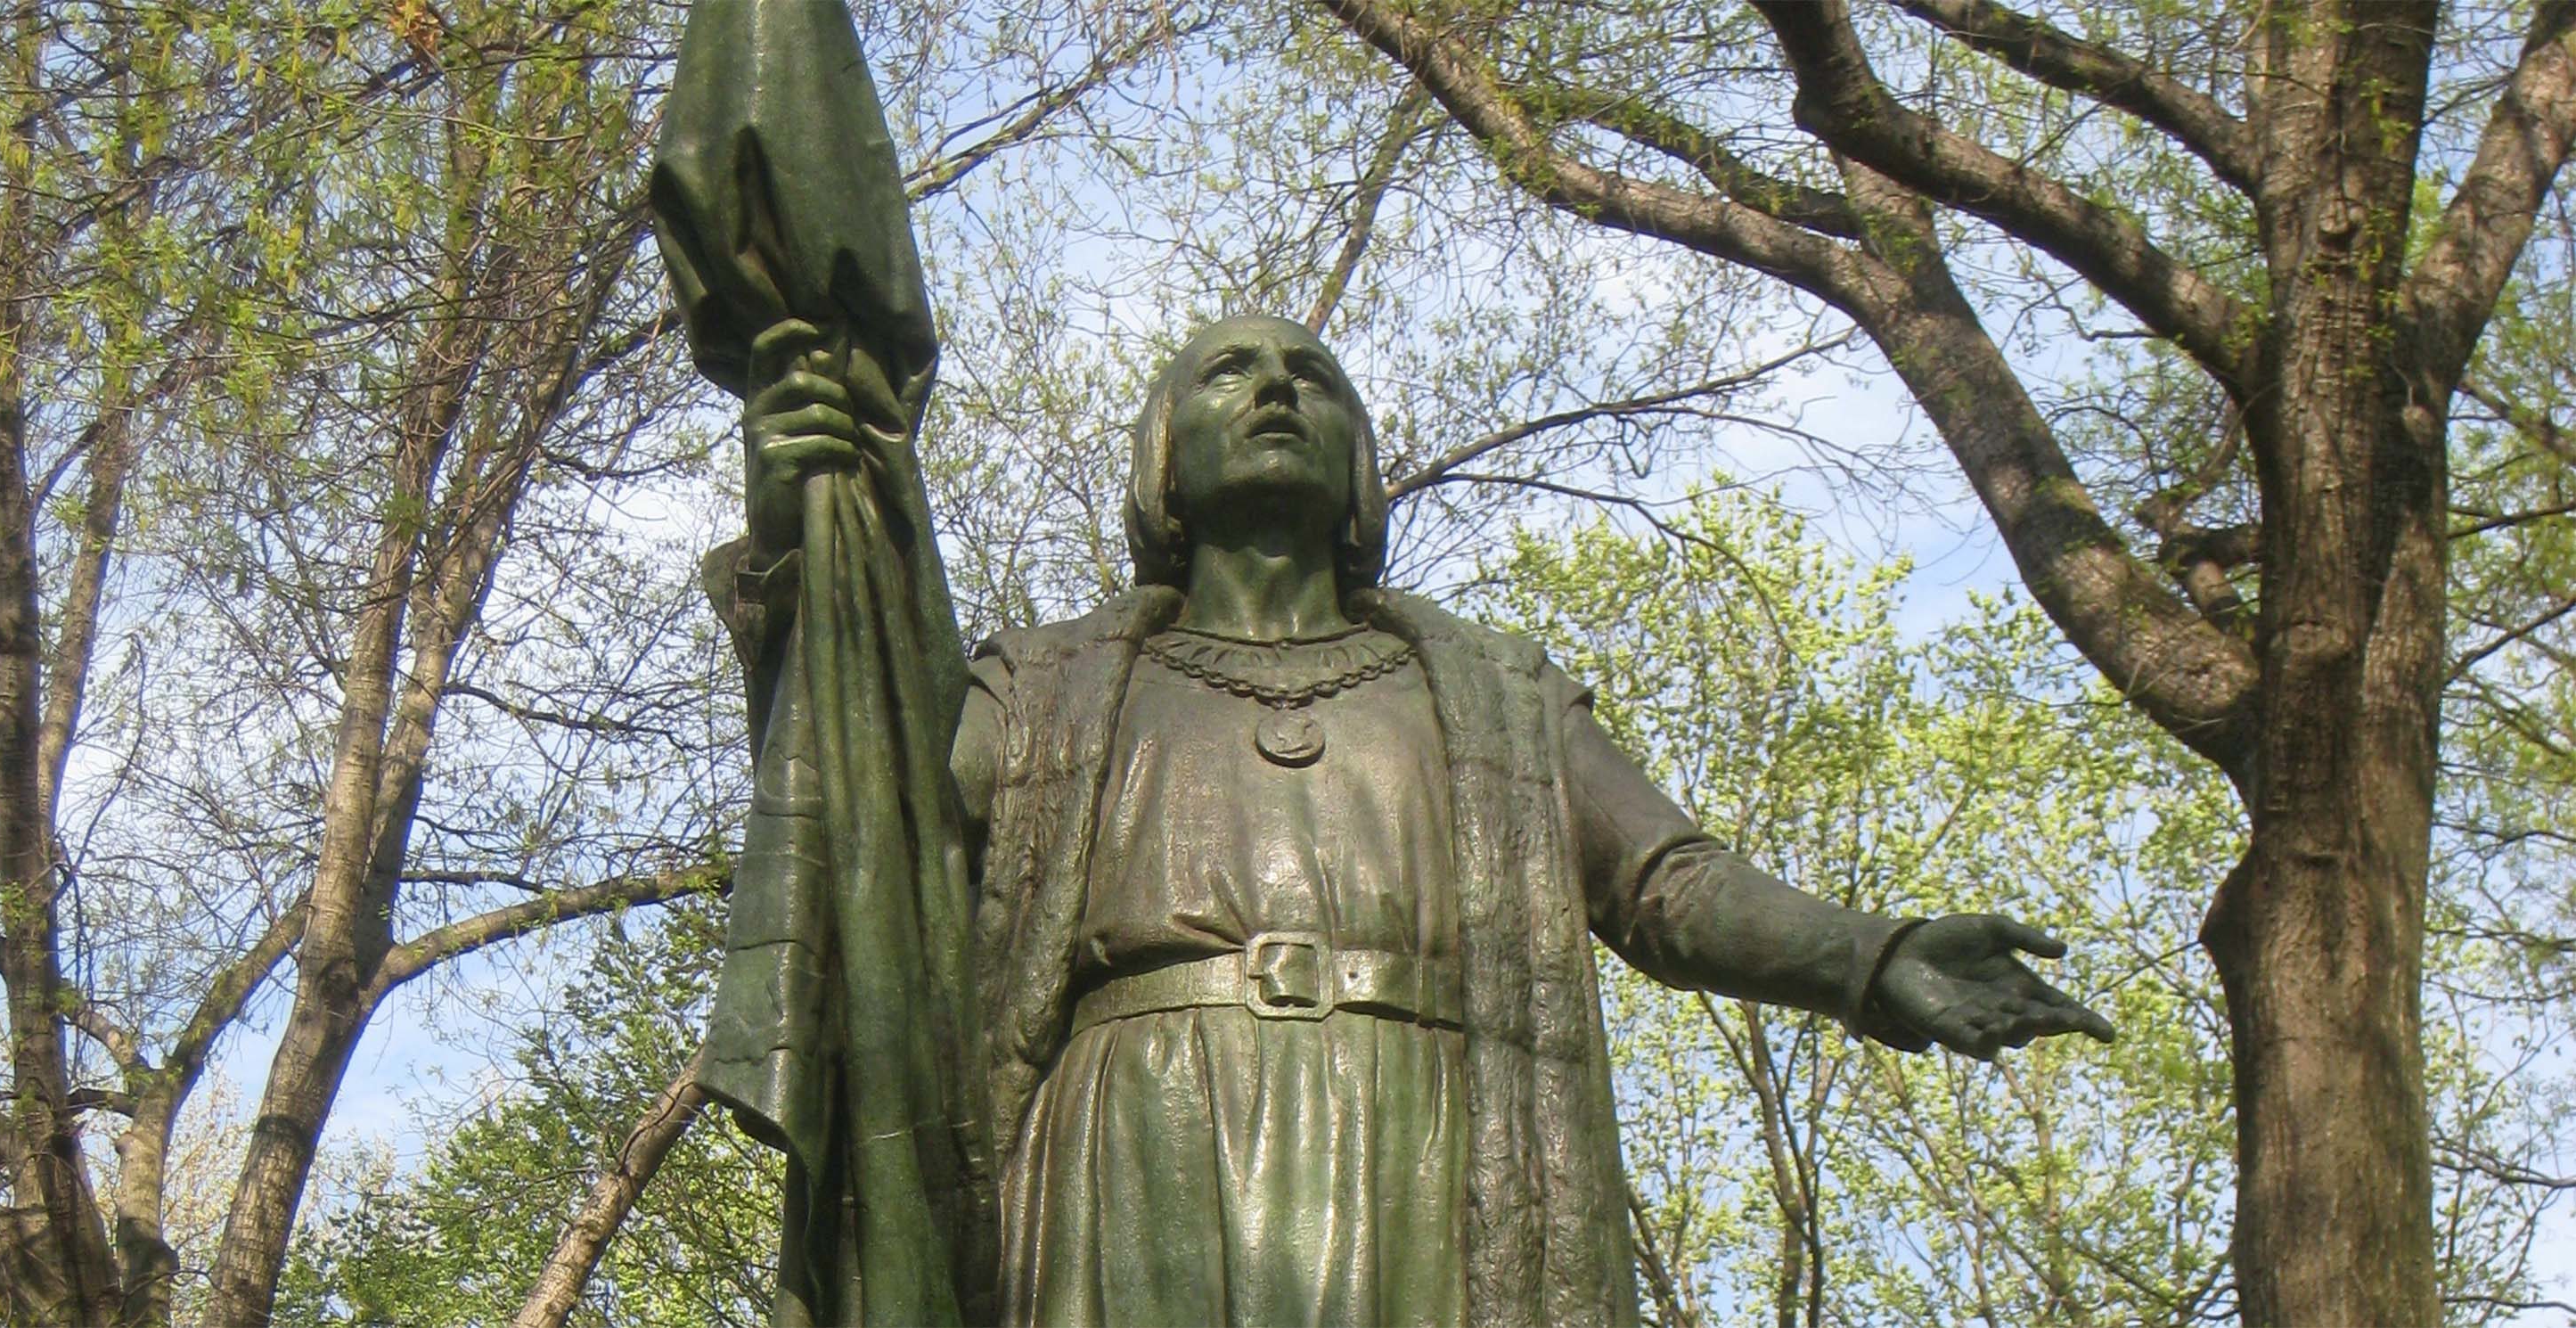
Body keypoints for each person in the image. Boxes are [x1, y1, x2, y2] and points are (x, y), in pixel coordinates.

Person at [716, 312, 2115, 1326]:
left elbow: (1668, 883)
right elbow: (881, 826)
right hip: (1130, 1135)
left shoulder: (1489, 692)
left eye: (1311, 378)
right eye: (1228, 374)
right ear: (1163, 466)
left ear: (1361, 464)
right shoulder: (1056, 682)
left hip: (1429, 1138)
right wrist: (806, 539)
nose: (1275, 389)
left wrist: (1869, 957)